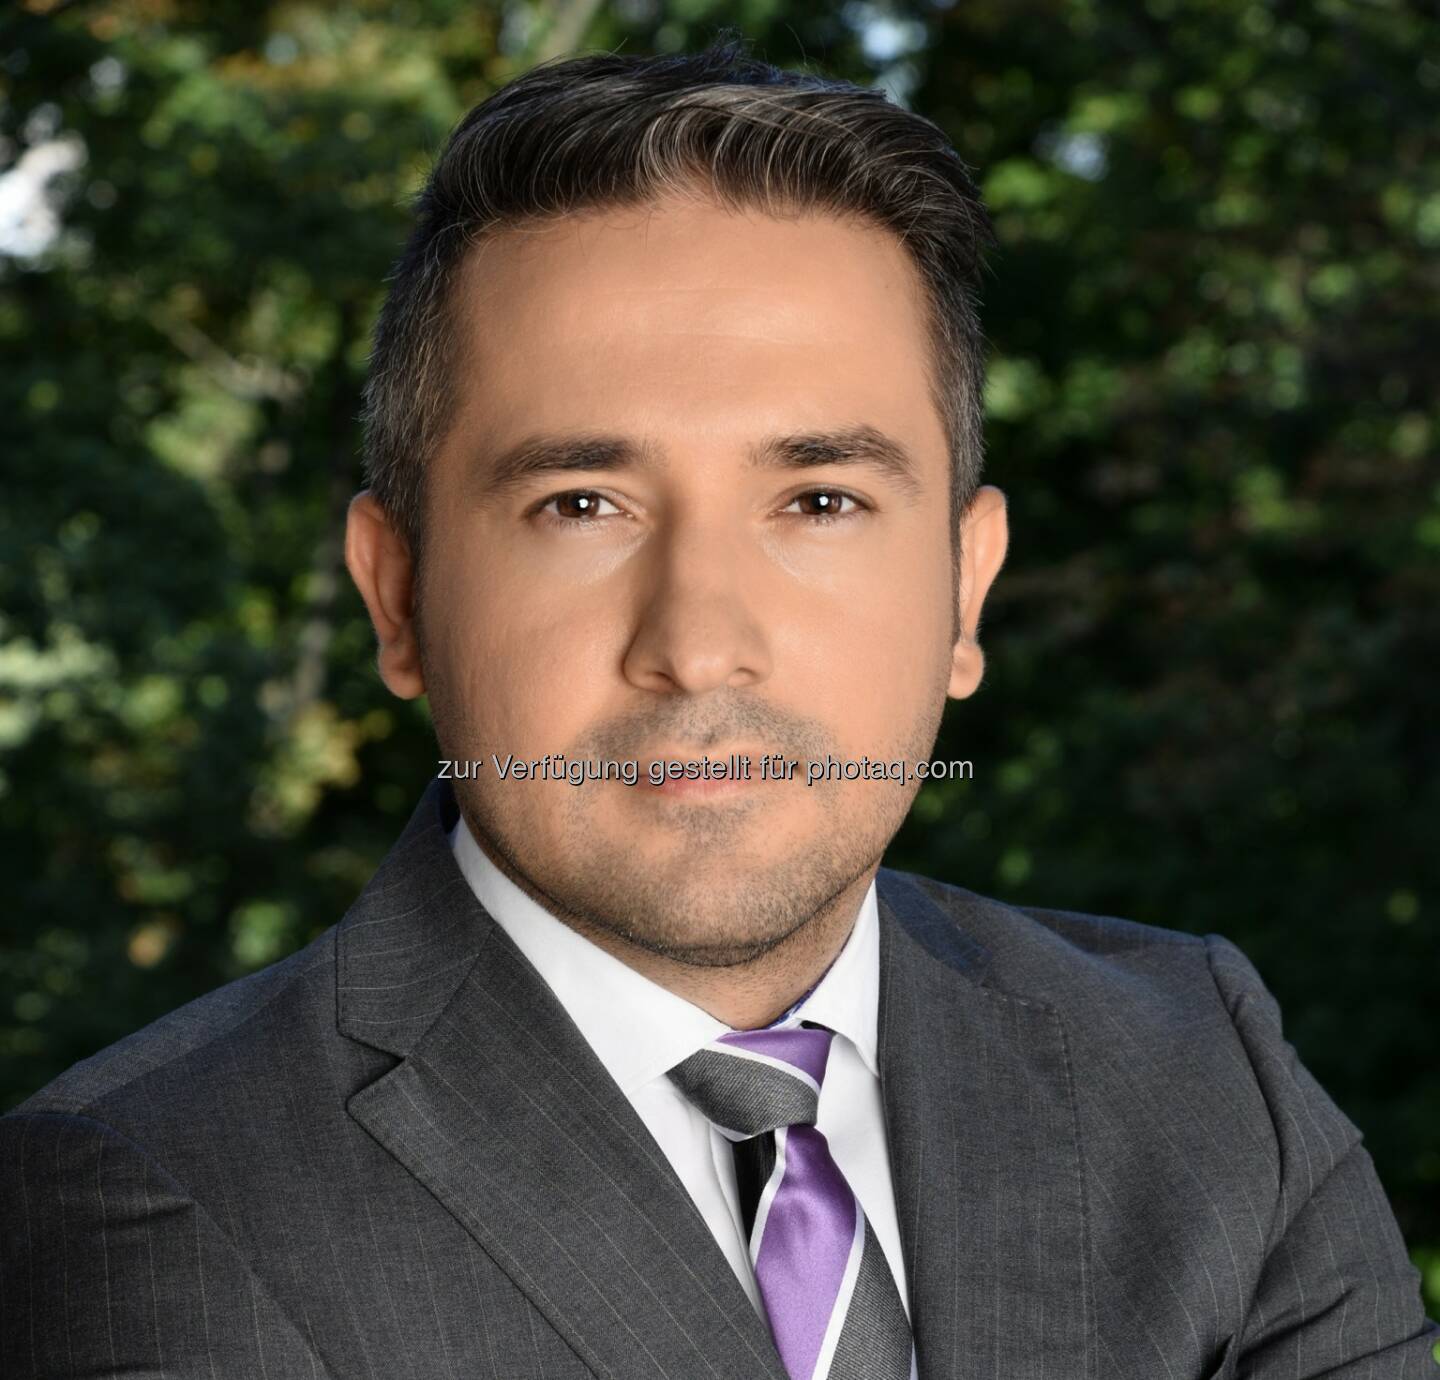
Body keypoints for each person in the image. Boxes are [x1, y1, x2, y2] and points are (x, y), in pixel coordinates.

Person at [2, 35, 1436, 1380]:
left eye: (820, 501)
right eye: (581, 504)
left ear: (965, 590)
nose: (699, 646)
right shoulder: (149, 1193)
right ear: (398, 597)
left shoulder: (1203, 1072)